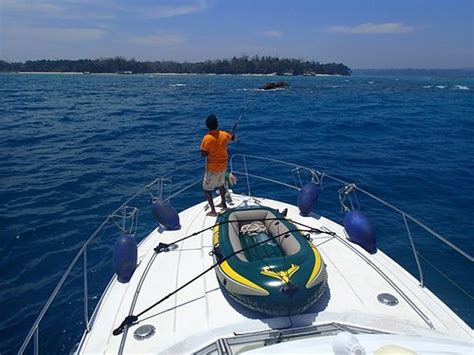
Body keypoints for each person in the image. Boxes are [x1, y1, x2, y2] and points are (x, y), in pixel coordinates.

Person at [200, 114, 235, 216]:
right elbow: (232, 138)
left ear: (207, 126)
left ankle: (213, 211)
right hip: (223, 166)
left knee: (207, 189)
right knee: (221, 185)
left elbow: (203, 154)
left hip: (212, 168)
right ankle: (223, 204)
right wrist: (232, 133)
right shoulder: (224, 134)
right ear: (217, 124)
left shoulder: (207, 138)